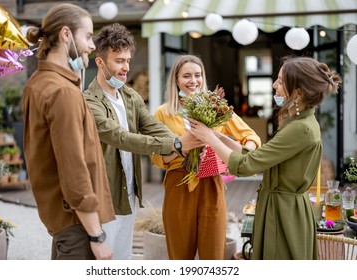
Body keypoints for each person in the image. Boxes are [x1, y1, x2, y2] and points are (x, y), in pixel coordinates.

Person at [188, 56, 342, 260]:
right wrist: (219, 136)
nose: (274, 85)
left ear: (297, 92)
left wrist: (209, 138)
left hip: (283, 214)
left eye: (280, 81)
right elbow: (257, 158)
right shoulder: (298, 121)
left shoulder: (300, 129)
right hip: (281, 207)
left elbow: (245, 166)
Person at [83, 23, 202, 260]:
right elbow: (120, 138)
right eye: (118, 61)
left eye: (127, 60)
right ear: (100, 62)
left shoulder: (130, 95)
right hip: (105, 195)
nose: (126, 67)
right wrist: (176, 145)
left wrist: (178, 141)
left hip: (128, 192)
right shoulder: (89, 101)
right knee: (102, 261)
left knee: (124, 257)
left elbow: (152, 125)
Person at [22, 4, 115, 260]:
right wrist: (97, 236)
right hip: (78, 225)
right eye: (87, 36)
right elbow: (74, 168)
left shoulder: (40, 83)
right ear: (66, 34)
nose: (93, 45)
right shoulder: (62, 92)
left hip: (65, 222)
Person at [150, 54, 261, 260]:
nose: (193, 81)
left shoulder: (216, 107)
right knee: (180, 256)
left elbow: (251, 137)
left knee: (214, 255)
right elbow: (156, 157)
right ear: (176, 79)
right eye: (186, 76)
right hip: (179, 186)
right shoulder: (163, 113)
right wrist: (181, 146)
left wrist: (242, 154)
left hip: (211, 184)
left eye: (197, 75)